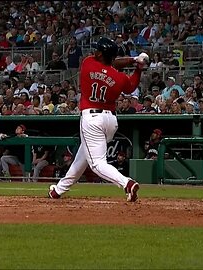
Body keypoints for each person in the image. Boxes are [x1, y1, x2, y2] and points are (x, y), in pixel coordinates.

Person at [48, 37, 146, 202]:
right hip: (110, 121)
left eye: (98, 50)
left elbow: (112, 62)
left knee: (96, 163)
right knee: (83, 157)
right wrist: (138, 66)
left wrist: (132, 60)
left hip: (91, 119)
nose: (95, 51)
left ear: (101, 54)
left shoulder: (88, 63)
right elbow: (130, 86)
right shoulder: (119, 77)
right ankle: (58, 190)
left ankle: (127, 183)